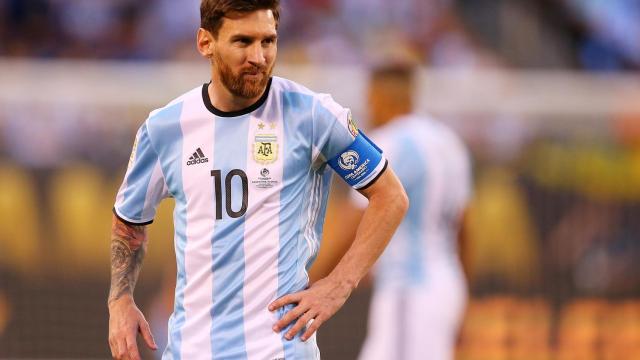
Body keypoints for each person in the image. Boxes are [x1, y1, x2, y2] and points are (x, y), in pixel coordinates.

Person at [107, 1, 408, 360]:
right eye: (243, 42)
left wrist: (339, 284)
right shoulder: (165, 129)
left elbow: (390, 196)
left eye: (268, 41)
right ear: (205, 43)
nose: (259, 56)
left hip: (279, 349)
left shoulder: (312, 115)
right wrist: (120, 300)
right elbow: (128, 223)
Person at [352, 65, 472, 360]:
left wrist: (313, 280)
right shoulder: (448, 142)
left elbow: (350, 224)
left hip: (409, 283)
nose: (368, 107)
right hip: (446, 279)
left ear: (380, 96)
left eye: (370, 99)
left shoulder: (388, 143)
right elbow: (465, 227)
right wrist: (464, 291)